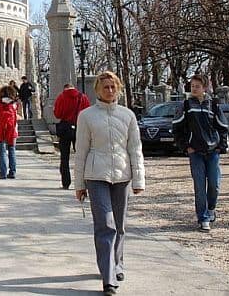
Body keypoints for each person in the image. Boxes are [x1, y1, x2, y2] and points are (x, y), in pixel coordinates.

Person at [74, 71, 145, 295]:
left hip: (122, 175)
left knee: (120, 225)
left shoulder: (128, 116)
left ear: (119, 89)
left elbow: (135, 149)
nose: (110, 90)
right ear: (97, 89)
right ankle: (108, 277)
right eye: (105, 87)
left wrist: (138, 179)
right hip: (96, 175)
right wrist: (79, 184)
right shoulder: (86, 116)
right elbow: (81, 151)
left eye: (113, 87)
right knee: (105, 224)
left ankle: (117, 263)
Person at [173, 73, 229, 232]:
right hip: (195, 152)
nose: (194, 89)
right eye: (192, 86)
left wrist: (221, 146)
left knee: (214, 184)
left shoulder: (214, 105)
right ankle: (203, 218)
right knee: (199, 186)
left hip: (212, 152)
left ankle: (211, 209)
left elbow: (223, 128)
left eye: (197, 86)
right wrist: (185, 146)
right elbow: (177, 128)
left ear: (205, 88)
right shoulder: (186, 106)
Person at [53, 83, 91, 189]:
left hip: (65, 129)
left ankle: (66, 183)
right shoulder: (83, 97)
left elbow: (57, 114)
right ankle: (83, 182)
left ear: (65, 88)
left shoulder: (61, 97)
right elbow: (88, 113)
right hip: (80, 128)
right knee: (82, 157)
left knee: (64, 157)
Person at [0, 85, 19, 179]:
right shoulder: (14, 104)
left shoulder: (0, 103)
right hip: (12, 128)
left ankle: (3, 173)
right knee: (12, 150)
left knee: (2, 150)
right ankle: (12, 172)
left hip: (1, 127)